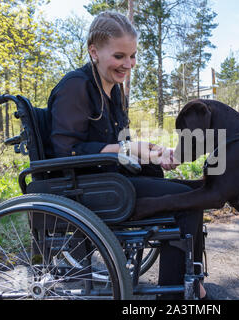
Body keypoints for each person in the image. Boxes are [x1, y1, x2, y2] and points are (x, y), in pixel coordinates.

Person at [47, 11, 206, 300]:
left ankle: (190, 278)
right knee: (188, 203)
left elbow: (120, 143)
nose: (128, 65)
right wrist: (128, 149)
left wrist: (154, 153)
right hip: (88, 188)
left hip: (112, 178)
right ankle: (174, 296)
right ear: (93, 51)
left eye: (132, 56)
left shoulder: (115, 92)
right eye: (119, 56)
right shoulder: (76, 87)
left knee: (198, 189)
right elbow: (65, 150)